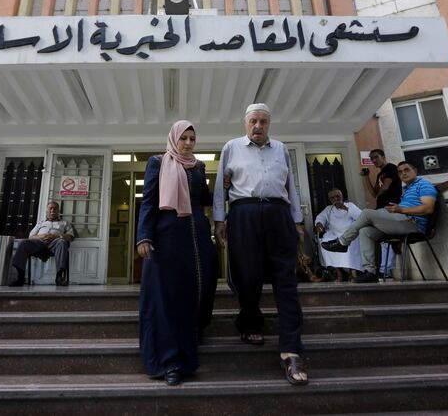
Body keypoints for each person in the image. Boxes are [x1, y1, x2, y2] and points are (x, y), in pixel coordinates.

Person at [213, 103, 308, 386]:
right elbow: (220, 186)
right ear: (245, 123)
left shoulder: (280, 148)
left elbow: (291, 185)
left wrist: (297, 219)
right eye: (253, 121)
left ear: (269, 124)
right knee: (249, 275)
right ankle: (250, 322)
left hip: (279, 213)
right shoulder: (231, 147)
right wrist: (219, 220)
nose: (258, 126)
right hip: (244, 213)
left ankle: (291, 350)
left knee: (286, 281)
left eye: (263, 122)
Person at [136, 120, 217, 386]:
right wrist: (144, 236)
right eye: (184, 138)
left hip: (197, 238)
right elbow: (148, 201)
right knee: (167, 298)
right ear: (174, 138)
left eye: (193, 139)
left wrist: (227, 182)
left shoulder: (199, 166)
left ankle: (193, 335)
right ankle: (170, 362)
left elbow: (204, 199)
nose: (188, 143)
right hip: (166, 237)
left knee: (199, 289)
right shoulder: (158, 163)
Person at [322, 161, 438, 283]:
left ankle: (342, 242)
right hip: (401, 220)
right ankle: (371, 272)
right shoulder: (406, 190)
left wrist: (401, 209)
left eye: (407, 170)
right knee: (366, 231)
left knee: (367, 213)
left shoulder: (424, 185)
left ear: (415, 171)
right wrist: (395, 210)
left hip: (413, 224)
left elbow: (428, 208)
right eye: (400, 172)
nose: (403, 173)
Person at [9, 201, 76, 287]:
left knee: (62, 242)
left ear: (58, 211)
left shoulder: (65, 223)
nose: (52, 210)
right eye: (50, 208)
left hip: (55, 243)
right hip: (39, 243)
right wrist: (41, 236)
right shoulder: (40, 223)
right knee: (23, 243)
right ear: (47, 211)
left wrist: (56, 236)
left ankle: (59, 277)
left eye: (55, 209)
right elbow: (31, 236)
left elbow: (70, 237)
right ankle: (20, 277)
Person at [361, 148, 402, 278]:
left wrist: (379, 195)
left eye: (376, 157)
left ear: (383, 156)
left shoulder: (390, 168)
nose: (374, 160)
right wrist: (365, 177)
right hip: (381, 209)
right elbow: (374, 193)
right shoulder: (380, 175)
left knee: (384, 237)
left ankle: (385, 270)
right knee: (382, 238)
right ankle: (383, 270)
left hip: (390, 208)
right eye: (372, 158)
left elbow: (385, 187)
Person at [314, 188, 362, 282]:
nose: (335, 199)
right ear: (330, 200)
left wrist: (345, 208)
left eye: (337, 196)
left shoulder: (350, 205)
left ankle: (353, 273)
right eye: (332, 198)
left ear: (342, 196)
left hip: (350, 234)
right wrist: (319, 224)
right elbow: (320, 218)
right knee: (324, 241)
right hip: (334, 235)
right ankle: (339, 273)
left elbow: (361, 217)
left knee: (352, 242)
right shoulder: (329, 209)